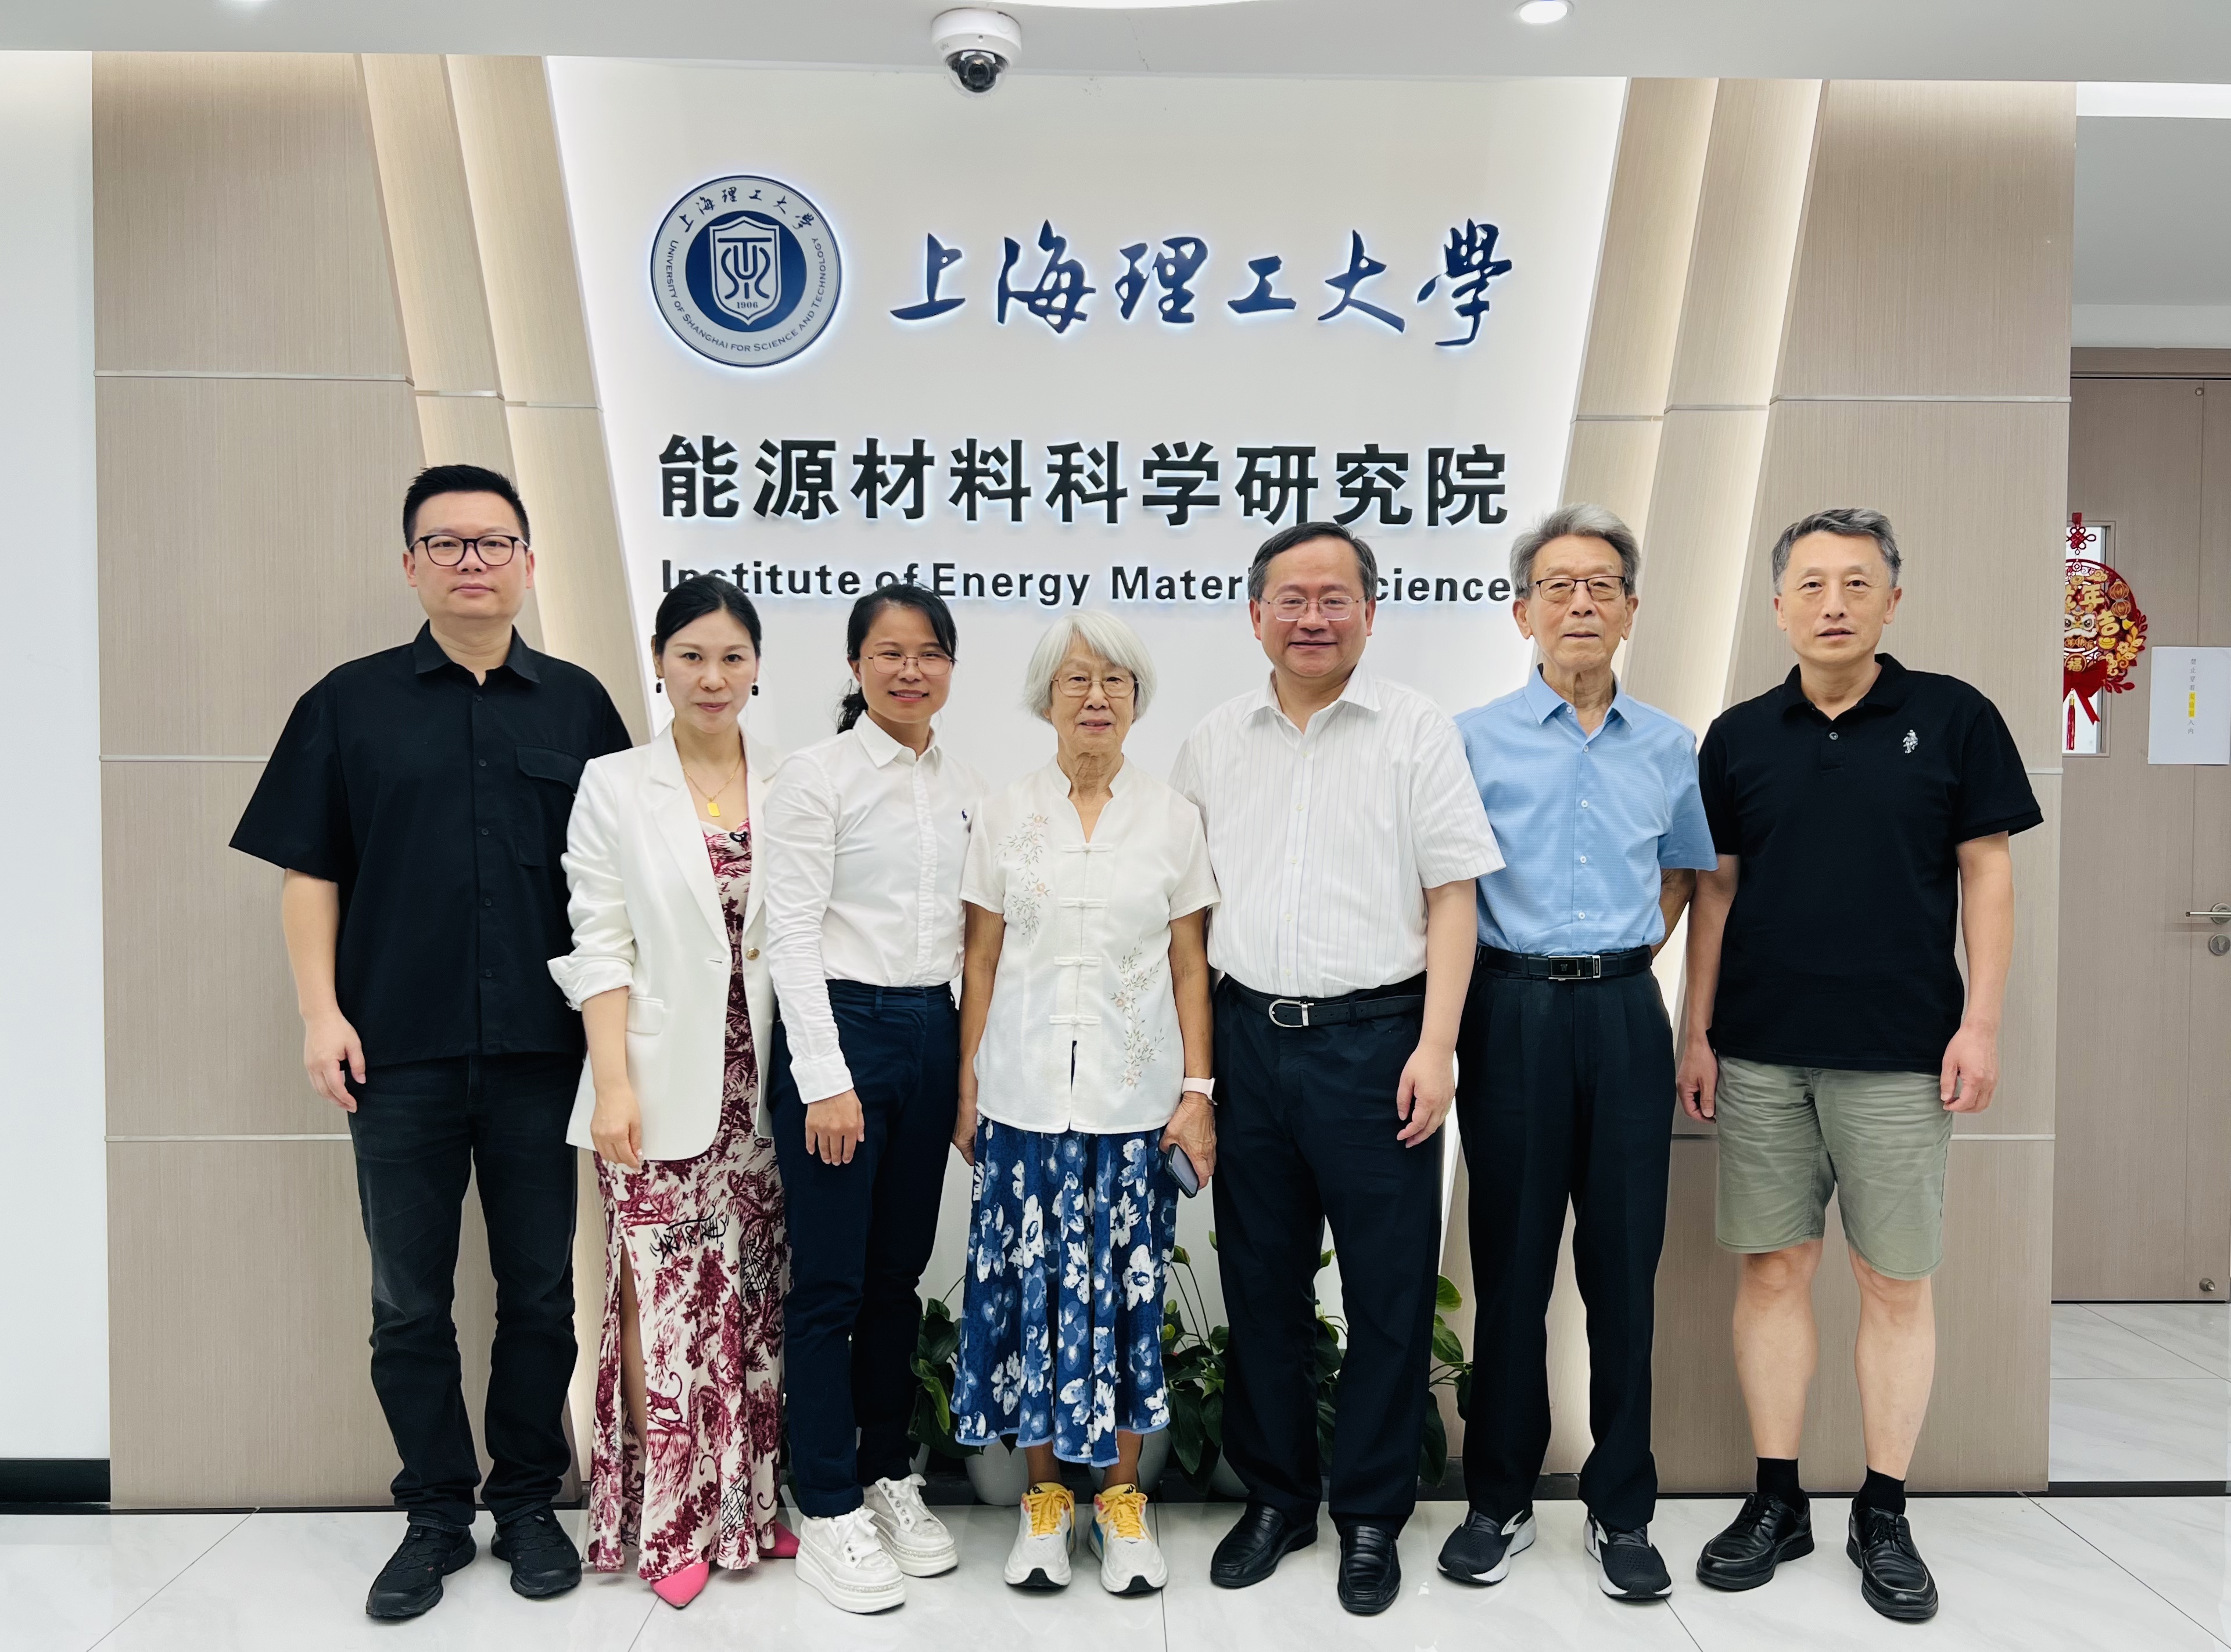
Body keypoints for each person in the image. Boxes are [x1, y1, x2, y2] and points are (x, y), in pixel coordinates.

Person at [230, 464, 632, 1620]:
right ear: (410, 564)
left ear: (528, 564)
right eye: (446, 544)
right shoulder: (347, 703)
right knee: (408, 1301)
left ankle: (527, 1502)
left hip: (542, 1056)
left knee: (540, 1294)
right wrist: (320, 1014)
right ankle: (437, 1516)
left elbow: (618, 886)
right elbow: (311, 873)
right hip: (394, 1054)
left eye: (493, 542)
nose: (471, 562)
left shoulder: (579, 707)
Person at [1678, 508, 2040, 1624]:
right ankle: (1777, 1500)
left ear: (1893, 600)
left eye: (1856, 582)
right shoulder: (1739, 735)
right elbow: (1715, 892)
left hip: (1901, 1053)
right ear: (1778, 604)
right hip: (1761, 1052)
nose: (1832, 603)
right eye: (1811, 583)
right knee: (1772, 1273)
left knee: (1894, 1282)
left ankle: (1883, 1512)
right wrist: (1696, 1030)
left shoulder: (1955, 716)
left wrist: (1982, 1024)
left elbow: (1988, 875)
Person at [1170, 521, 1501, 1617]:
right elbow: (1187, 922)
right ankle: (1277, 1499)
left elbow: (1453, 894)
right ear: (1254, 613)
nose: (1312, 618)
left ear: (1369, 611)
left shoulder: (1415, 731)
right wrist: (1199, 1081)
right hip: (1249, 1041)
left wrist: (1437, 1047)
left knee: (1388, 1293)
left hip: (1380, 1044)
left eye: (1334, 598)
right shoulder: (1214, 742)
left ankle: (1369, 1515)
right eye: (1291, 599)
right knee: (1261, 1286)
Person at [1439, 504, 1716, 1602]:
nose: (1581, 604)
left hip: (1624, 1014)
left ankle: (1622, 1507)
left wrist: (1622, 958)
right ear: (1522, 613)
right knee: (1510, 1268)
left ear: (1632, 610)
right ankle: (1499, 1499)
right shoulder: (1472, 739)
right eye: (1557, 587)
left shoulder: (1669, 744)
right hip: (1507, 1012)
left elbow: (1686, 873)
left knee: (1623, 1269)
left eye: (1602, 586)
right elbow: (1447, 886)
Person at [948, 612, 1220, 1598]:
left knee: (1126, 1300)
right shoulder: (1004, 812)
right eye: (1076, 680)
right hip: (1022, 1103)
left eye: (1114, 681)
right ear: (1046, 699)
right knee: (1034, 1300)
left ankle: (1122, 1503)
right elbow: (981, 958)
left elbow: (1189, 965)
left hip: (1132, 1109)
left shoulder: (1173, 818)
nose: (1096, 697)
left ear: (1137, 700)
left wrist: (1198, 1092)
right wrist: (967, 1084)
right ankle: (1044, 1504)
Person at [547, 576, 792, 1610]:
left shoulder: (789, 778)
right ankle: (670, 1524)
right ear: (659, 662)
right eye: (692, 656)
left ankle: (751, 1506)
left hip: (764, 1088)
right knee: (665, 1300)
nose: (712, 677)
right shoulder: (615, 784)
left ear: (757, 668)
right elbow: (598, 941)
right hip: (650, 1086)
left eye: (732, 657)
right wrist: (612, 1086)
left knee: (751, 1303)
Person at [759, 584, 987, 1614]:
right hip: (842, 1027)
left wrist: (967, 1070)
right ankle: (827, 1503)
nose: (910, 670)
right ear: (855, 666)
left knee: (899, 1274)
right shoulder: (818, 777)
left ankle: (889, 1471)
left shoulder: (964, 784)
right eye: (888, 653)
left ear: (951, 668)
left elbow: (974, 940)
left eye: (929, 652)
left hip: (932, 1028)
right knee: (831, 1286)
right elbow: (791, 933)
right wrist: (826, 1079)